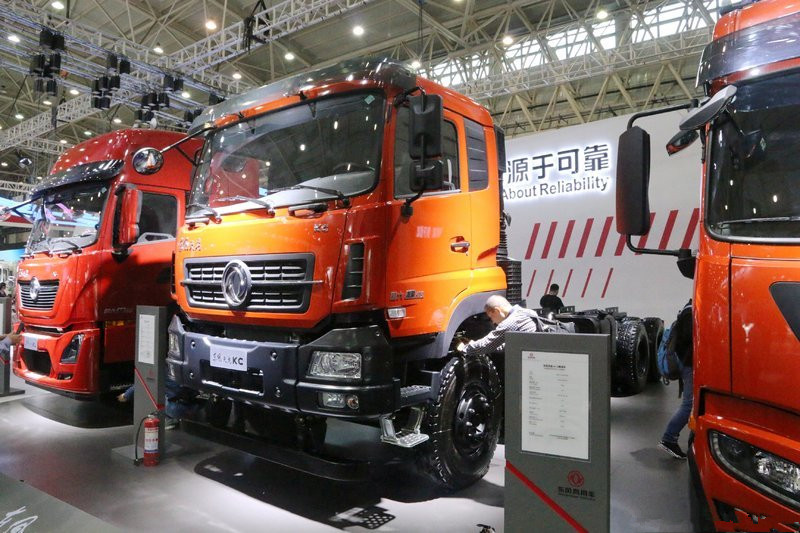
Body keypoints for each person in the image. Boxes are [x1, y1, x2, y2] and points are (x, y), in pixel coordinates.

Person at [659, 300, 693, 459]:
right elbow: (688, 339)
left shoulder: (688, 311)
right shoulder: (689, 313)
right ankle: (669, 439)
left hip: (688, 363)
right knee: (688, 405)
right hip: (688, 364)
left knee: (691, 404)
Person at [457, 295, 540, 356]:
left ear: (497, 311)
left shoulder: (511, 322)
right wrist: (474, 344)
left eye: (491, 317)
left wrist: (464, 348)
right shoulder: (527, 312)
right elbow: (508, 346)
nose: (493, 322)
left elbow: (486, 345)